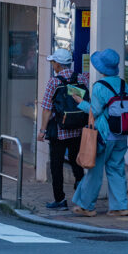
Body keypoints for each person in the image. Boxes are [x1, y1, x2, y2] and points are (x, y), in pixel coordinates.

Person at [70, 49, 128, 217]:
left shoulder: (99, 86)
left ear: (101, 68)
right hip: (122, 134)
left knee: (94, 171)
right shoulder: (123, 84)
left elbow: (94, 111)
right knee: (117, 170)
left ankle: (86, 206)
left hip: (104, 136)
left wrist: (80, 101)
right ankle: (120, 207)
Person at [37, 48, 88, 209]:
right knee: (76, 162)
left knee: (56, 166)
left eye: (53, 62)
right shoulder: (80, 78)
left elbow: (47, 108)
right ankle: (81, 191)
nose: (52, 65)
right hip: (78, 129)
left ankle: (60, 200)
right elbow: (79, 101)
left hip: (59, 131)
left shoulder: (54, 82)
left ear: (58, 64)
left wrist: (42, 130)